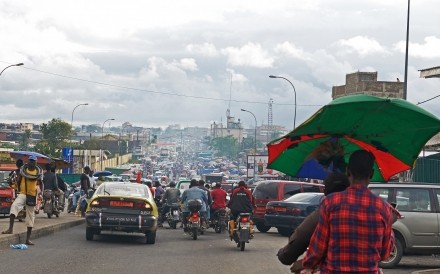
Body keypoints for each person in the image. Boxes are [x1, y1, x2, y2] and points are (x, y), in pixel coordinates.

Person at [291, 150, 395, 274]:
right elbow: (384, 254)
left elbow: (318, 247)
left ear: (347, 171)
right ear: (371, 174)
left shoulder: (330, 203)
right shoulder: (384, 208)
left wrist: (306, 263)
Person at [276, 173, 350, 266]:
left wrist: (286, 256)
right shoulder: (368, 206)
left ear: (324, 192)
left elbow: (302, 235)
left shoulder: (326, 209)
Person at [2, 155, 43, 245]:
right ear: (28, 162)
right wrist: (17, 188)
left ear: (36, 162)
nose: (32, 162)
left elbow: (40, 183)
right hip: (23, 193)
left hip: (32, 195)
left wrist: (41, 193)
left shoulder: (38, 172)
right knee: (14, 206)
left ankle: (27, 239)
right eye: (30, 161)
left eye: (33, 161)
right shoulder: (23, 171)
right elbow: (19, 181)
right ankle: (10, 229)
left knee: (30, 217)